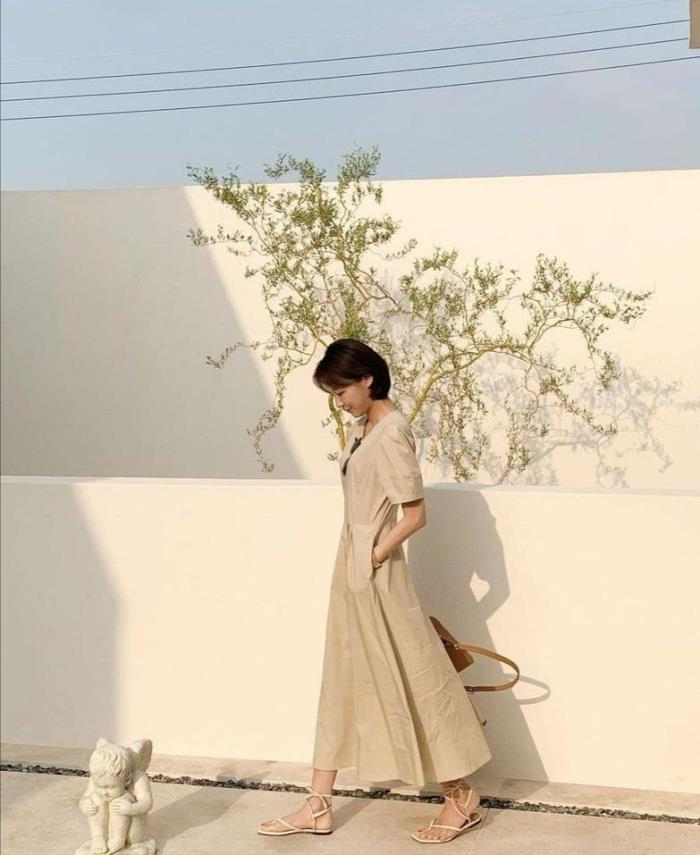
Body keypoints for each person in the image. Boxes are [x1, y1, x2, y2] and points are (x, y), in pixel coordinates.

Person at [258, 338, 491, 844]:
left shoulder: (391, 431)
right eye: (332, 393)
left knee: (411, 673)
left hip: (376, 568)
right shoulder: (361, 430)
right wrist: (358, 556)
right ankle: (318, 803)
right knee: (341, 676)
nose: (338, 401)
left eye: (341, 390)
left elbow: (415, 513)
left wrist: (376, 553)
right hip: (351, 562)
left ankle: (460, 795)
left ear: (367, 378)